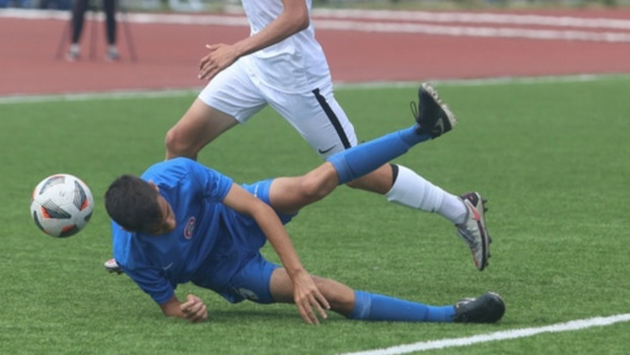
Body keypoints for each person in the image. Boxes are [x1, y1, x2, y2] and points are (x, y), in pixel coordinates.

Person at [132, 0, 489, 275]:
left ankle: (460, 210)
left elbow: (297, 16)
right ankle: (164, 237)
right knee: (179, 142)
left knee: (355, 171)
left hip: (296, 76)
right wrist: (244, 55)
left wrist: (236, 49)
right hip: (257, 69)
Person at [105, 84, 505, 325]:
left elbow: (256, 209)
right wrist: (189, 309)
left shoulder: (177, 173)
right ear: (132, 232)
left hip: (233, 218)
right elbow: (170, 307)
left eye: (168, 214)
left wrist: (297, 273)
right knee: (333, 296)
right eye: (158, 230)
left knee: (313, 184)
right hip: (226, 270)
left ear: (156, 190)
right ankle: (453, 314)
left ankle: (420, 130)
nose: (171, 226)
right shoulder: (133, 255)